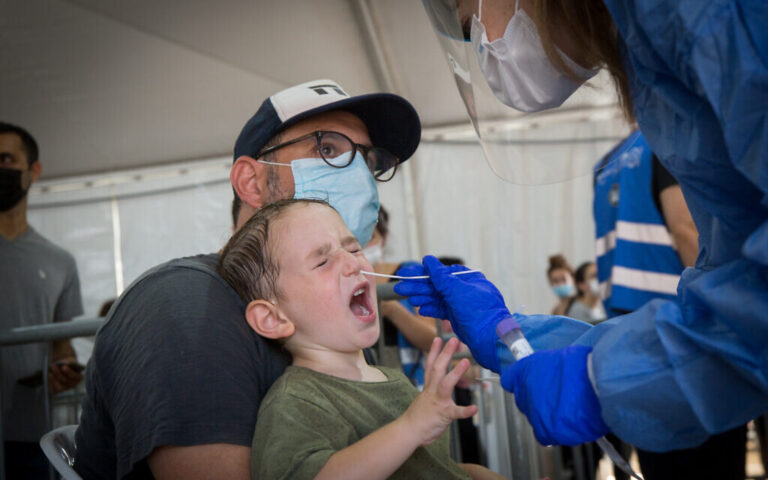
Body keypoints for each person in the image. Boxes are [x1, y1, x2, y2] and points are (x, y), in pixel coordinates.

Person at [396, 0, 768, 455]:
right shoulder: (656, 51)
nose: (485, 47)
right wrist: (509, 334)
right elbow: (730, 289)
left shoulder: (697, 14)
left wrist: (599, 380)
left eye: (471, 24)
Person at [74, 79, 422, 479]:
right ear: (251, 182)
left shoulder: (330, 314)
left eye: (370, 161)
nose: (360, 176)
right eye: (327, 149)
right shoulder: (183, 306)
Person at [217, 198, 503, 480]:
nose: (353, 262)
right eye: (323, 261)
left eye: (353, 247)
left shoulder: (393, 380)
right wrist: (411, 427)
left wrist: (474, 474)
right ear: (273, 318)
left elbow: (426, 468)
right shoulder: (295, 403)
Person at [0, 122, 84, 479]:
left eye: (6, 159)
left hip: (29, 435)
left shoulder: (59, 261)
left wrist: (63, 372)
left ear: (34, 170)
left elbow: (63, 348)